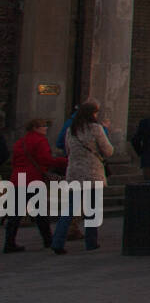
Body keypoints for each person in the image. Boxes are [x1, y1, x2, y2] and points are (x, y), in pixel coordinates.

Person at [51, 100, 114, 254]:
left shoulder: (71, 129)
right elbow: (108, 151)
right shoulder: (96, 129)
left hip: (74, 172)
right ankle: (91, 242)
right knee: (92, 209)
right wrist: (105, 131)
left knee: (70, 208)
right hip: (92, 173)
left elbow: (67, 150)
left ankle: (58, 241)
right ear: (92, 113)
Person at [4, 118, 64, 252]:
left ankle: (9, 242)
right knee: (40, 212)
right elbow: (46, 159)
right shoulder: (40, 140)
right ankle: (48, 240)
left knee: (15, 214)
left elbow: (14, 161)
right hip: (33, 179)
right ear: (35, 128)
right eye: (43, 126)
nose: (46, 128)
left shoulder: (21, 142)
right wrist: (62, 161)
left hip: (18, 178)